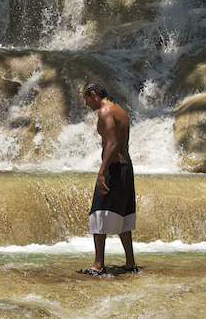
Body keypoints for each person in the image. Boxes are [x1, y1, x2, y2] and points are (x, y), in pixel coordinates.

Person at [81, 82, 138, 276]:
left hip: (113, 168)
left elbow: (112, 143)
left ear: (94, 95)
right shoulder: (120, 110)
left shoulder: (105, 111)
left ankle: (98, 266)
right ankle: (130, 262)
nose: (86, 103)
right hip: (126, 168)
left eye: (86, 98)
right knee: (124, 216)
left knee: (98, 214)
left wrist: (101, 172)